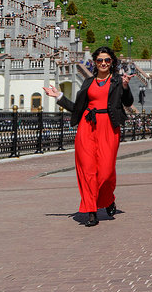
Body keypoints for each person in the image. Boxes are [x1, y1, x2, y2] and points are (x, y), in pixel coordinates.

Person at [42, 46, 134, 227]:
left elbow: (128, 102)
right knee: (88, 170)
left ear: (112, 62)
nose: (103, 63)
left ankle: (108, 199)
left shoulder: (116, 80)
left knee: (106, 173)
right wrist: (58, 96)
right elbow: (79, 108)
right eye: (100, 60)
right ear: (95, 62)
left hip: (109, 127)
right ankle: (91, 210)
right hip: (87, 127)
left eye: (107, 60)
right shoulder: (88, 82)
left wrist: (125, 86)